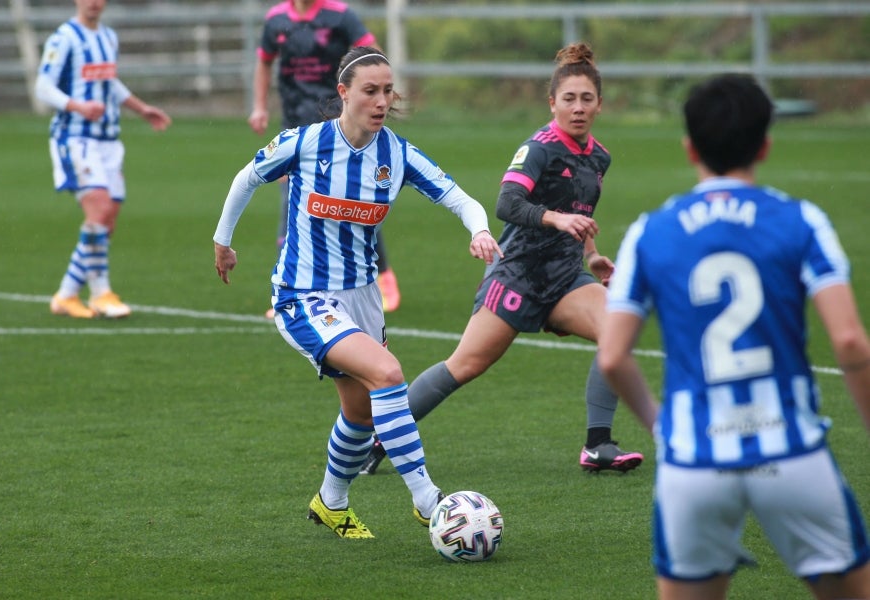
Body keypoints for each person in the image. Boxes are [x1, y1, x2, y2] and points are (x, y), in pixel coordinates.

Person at [598, 73, 870, 599]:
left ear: (689, 147)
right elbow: (852, 343)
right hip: (791, 452)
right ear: (765, 145)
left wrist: (663, 428)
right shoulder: (801, 220)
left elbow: (612, 356)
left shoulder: (650, 231)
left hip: (694, 459)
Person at [213, 47, 503, 539]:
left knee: (362, 411)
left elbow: (460, 198)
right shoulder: (305, 142)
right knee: (388, 374)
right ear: (344, 93)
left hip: (363, 297)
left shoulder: (398, 153)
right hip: (303, 294)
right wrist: (224, 241)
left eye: (388, 91)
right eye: (370, 90)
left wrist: (478, 230)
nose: (382, 100)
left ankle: (331, 502)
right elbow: (247, 178)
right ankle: (427, 499)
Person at [360, 42, 644, 476]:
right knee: (466, 364)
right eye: (568, 99)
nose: (578, 107)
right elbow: (507, 204)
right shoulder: (539, 149)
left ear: (600, 105)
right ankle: (381, 439)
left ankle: (597, 445)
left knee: (616, 332)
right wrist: (555, 219)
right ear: (552, 103)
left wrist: (592, 255)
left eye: (587, 99)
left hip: (566, 279)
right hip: (519, 275)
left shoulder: (599, 156)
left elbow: (580, 213)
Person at [249, 0, 401, 318]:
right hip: (295, 125)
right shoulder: (276, 20)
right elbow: (263, 61)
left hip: (338, 126)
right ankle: (289, 291)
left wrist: (374, 94)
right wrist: (260, 106)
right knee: (292, 201)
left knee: (352, 200)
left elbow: (373, 54)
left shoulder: (340, 15)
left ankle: (384, 277)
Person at [36, 0, 171, 319]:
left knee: (107, 219)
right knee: (98, 208)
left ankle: (67, 294)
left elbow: (108, 82)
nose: (94, 2)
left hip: (109, 141)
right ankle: (101, 294)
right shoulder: (64, 37)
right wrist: (77, 106)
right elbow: (42, 86)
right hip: (76, 138)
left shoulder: (108, 37)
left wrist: (141, 108)